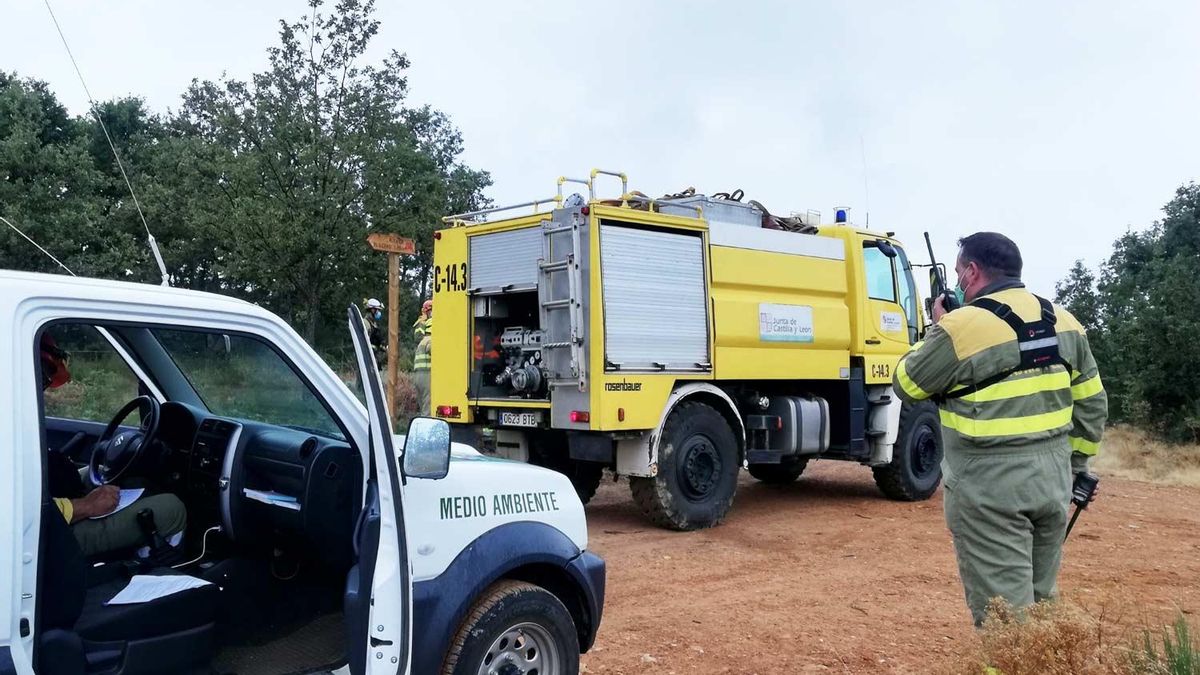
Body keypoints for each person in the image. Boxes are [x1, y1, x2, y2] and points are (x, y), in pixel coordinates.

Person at [892, 232, 1107, 627]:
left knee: (1004, 620)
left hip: (990, 487)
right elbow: (1093, 403)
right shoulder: (1066, 322)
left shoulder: (960, 327)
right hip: (1054, 482)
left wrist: (938, 327)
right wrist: (1075, 466)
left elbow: (908, 384)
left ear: (972, 272)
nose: (957, 282)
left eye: (958, 272)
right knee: (1042, 604)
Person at [41, 334, 187, 558]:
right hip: (47, 534)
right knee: (172, 508)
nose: (45, 384)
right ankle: (148, 571)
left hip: (49, 501)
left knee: (114, 477)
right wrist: (86, 506)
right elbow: (22, 509)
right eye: (44, 374)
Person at [412, 300, 433, 416]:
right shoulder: (423, 323)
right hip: (426, 375)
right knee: (427, 408)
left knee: (423, 406)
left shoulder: (423, 342)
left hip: (418, 374)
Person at [363, 298, 387, 364]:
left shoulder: (373, 323)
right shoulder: (365, 323)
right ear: (373, 310)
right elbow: (364, 341)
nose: (379, 312)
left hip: (374, 356)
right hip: (368, 358)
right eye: (378, 310)